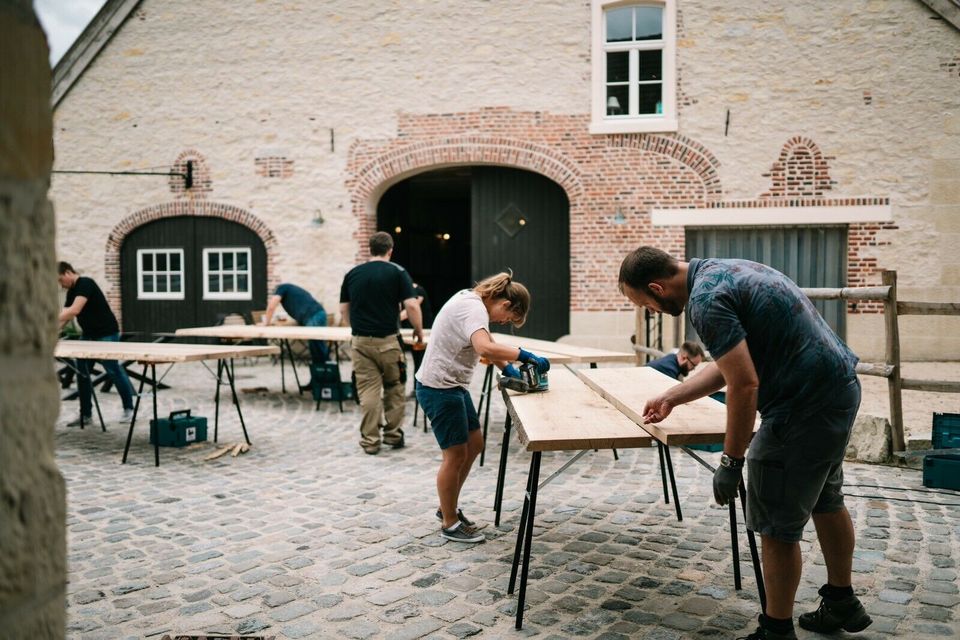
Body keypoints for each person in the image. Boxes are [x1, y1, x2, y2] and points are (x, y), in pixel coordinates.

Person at [618, 247, 870, 640]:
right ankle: (842, 601)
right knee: (826, 498)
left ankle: (776, 628)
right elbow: (731, 363)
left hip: (799, 408)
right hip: (838, 390)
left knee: (775, 524)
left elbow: (744, 384)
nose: (650, 311)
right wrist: (673, 396)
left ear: (656, 287)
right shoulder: (725, 270)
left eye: (645, 303)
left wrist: (731, 462)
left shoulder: (705, 301)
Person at [415, 271, 550, 543]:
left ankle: (448, 506)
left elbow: (489, 346)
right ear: (504, 304)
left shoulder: (471, 302)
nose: (502, 321)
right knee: (454, 455)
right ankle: (449, 522)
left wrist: (510, 370)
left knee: (474, 445)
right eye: (507, 318)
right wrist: (526, 356)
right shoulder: (473, 308)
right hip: (440, 388)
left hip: (452, 386)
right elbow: (484, 346)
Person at [340, 232, 424, 455]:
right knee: (394, 388)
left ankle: (370, 441)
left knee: (368, 391)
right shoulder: (397, 272)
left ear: (370, 249)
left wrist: (355, 329)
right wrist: (417, 331)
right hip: (388, 341)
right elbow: (413, 306)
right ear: (390, 250)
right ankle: (393, 436)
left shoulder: (352, 274)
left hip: (360, 342)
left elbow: (343, 309)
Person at [57, 262, 136, 425]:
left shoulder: (85, 283)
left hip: (107, 333)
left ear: (67, 273)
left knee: (112, 369)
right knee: (82, 373)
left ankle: (129, 409)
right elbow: (66, 317)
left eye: (60, 280)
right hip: (89, 335)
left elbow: (74, 310)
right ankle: (86, 415)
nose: (60, 285)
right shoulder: (71, 291)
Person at [261, 283, 330, 388]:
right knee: (317, 350)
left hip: (315, 316)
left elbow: (271, 307)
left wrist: (266, 323)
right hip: (316, 315)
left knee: (318, 350)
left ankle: (327, 384)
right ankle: (319, 382)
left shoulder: (281, 288)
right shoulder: (292, 292)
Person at [400, 281, 434, 377]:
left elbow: (410, 310)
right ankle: (416, 387)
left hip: (424, 331)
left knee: (421, 360)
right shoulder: (407, 292)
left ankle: (418, 386)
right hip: (414, 331)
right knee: (416, 359)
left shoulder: (418, 291)